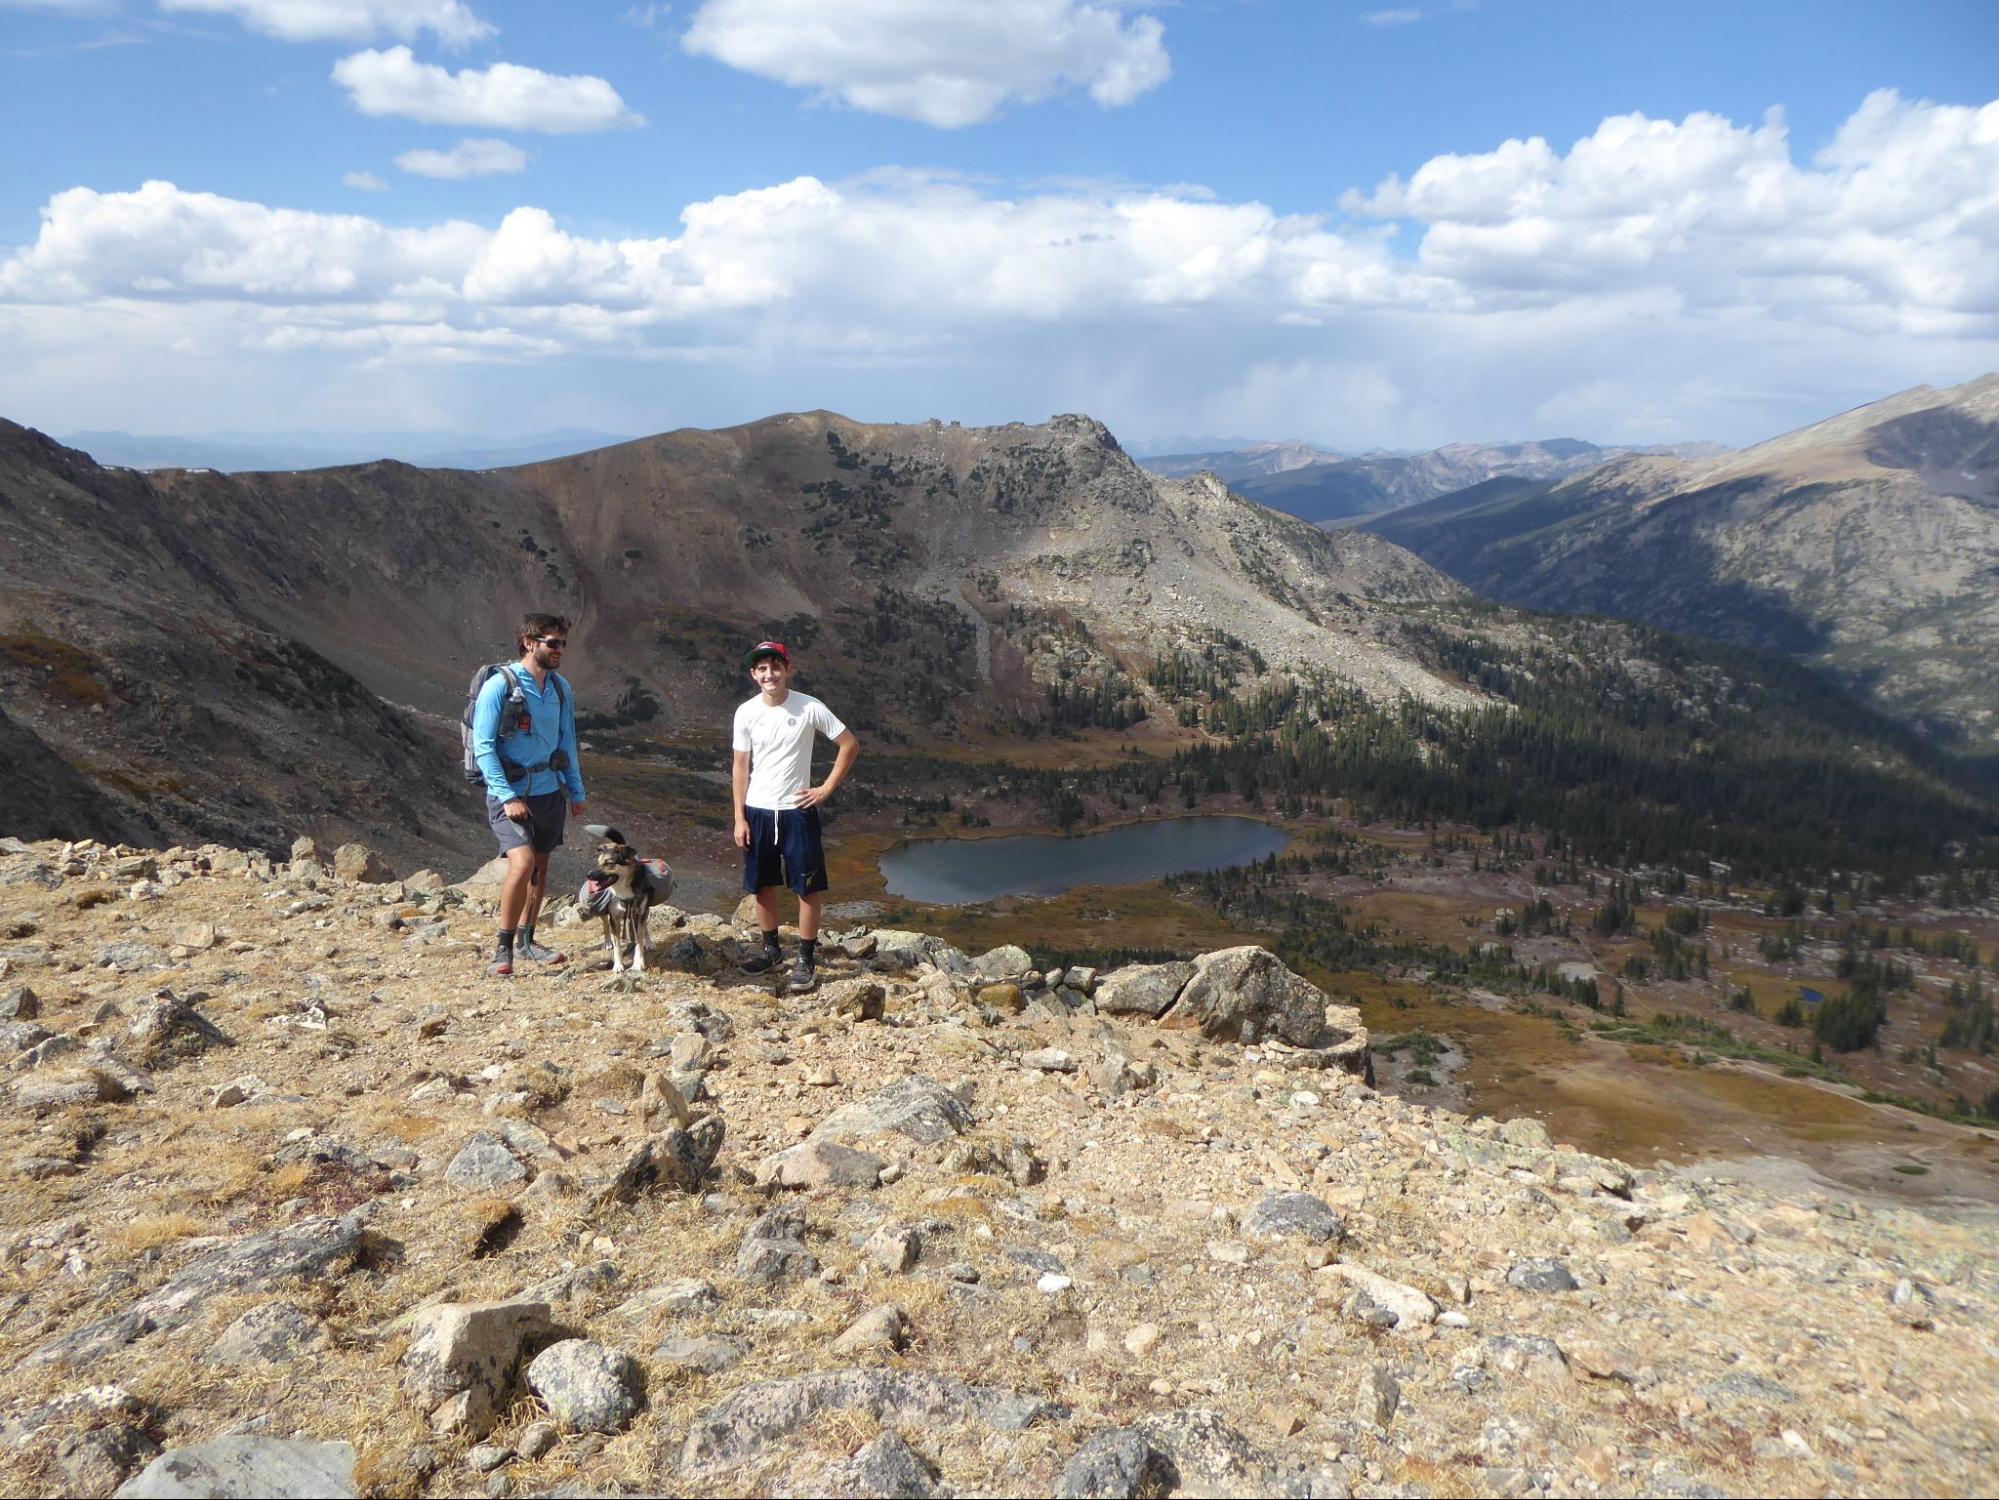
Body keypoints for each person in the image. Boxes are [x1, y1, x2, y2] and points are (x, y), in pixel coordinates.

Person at [732, 640, 860, 993]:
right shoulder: (746, 712)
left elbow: (849, 744)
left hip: (797, 811)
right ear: (753, 675)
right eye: (762, 668)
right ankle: (771, 950)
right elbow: (740, 766)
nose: (769, 674)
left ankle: (805, 958)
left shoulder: (809, 707)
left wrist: (825, 789)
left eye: (775, 666)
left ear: (788, 669)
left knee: (807, 886)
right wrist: (739, 818)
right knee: (762, 884)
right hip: (758, 810)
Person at [472, 613, 586, 976]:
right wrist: (506, 795)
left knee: (540, 866)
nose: (559, 650)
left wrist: (576, 790)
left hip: (549, 790)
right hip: (512, 792)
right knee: (522, 864)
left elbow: (566, 740)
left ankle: (528, 941)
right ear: (528, 642)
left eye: (563, 643)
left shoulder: (560, 688)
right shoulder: (499, 686)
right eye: (552, 643)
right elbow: (484, 747)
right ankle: (502, 948)